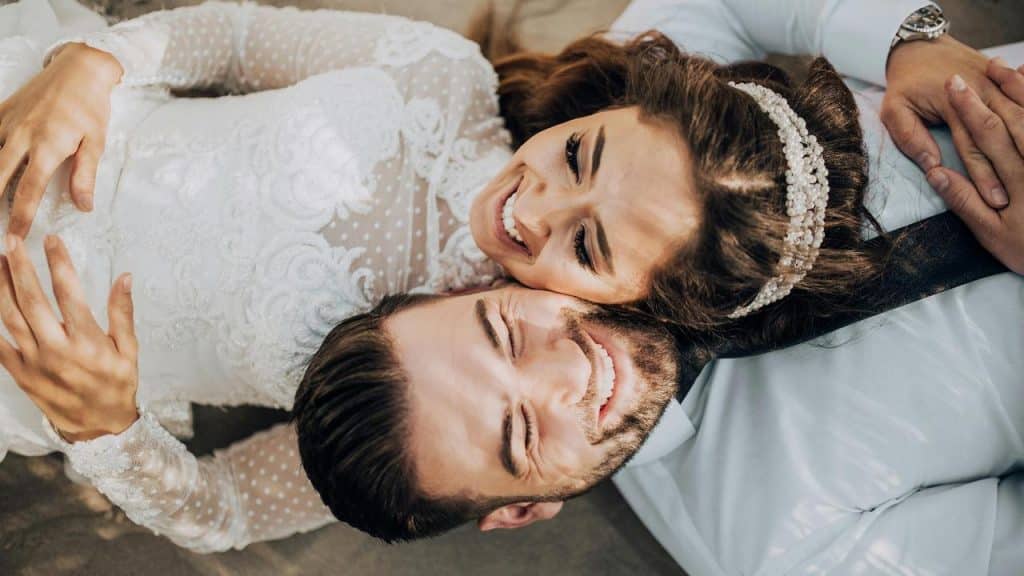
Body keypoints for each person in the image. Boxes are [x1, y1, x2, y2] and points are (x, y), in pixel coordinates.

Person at [0, 0, 1021, 554]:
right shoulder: (437, 77)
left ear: (624, 297)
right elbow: (237, 37)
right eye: (576, 157)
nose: (528, 213)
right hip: (56, 110)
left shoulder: (430, 398)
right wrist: (95, 64)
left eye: (583, 251)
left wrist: (103, 426)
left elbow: (220, 512)